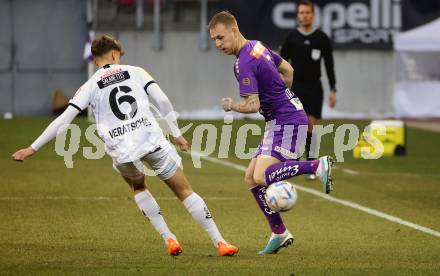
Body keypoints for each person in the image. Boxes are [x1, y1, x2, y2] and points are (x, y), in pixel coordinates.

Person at [11, 34, 238, 257]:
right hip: (151, 141)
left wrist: (33, 148)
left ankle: (169, 237)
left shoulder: (89, 85)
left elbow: (64, 120)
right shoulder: (137, 72)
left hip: (123, 151)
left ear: (95, 60)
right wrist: (176, 133)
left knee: (139, 187)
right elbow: (163, 101)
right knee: (185, 191)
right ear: (113, 53)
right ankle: (220, 242)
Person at [208, 11, 334, 255]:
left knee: (263, 176)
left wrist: (231, 105)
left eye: (221, 38)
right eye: (214, 39)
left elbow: (252, 105)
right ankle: (279, 232)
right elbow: (288, 71)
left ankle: (317, 166)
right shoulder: (256, 45)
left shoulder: (243, 62)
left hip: (287, 119)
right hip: (281, 116)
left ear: (234, 30)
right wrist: (278, 93)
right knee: (250, 177)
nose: (218, 44)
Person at [280, 0, 337, 180]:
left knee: (311, 126)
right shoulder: (291, 38)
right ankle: (296, 163)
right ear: (297, 16)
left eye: (307, 12)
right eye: (301, 13)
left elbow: (329, 65)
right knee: (298, 126)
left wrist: (333, 89)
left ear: (313, 15)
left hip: (314, 88)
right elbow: (281, 62)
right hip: (295, 87)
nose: (304, 15)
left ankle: (311, 165)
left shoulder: (321, 38)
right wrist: (280, 85)